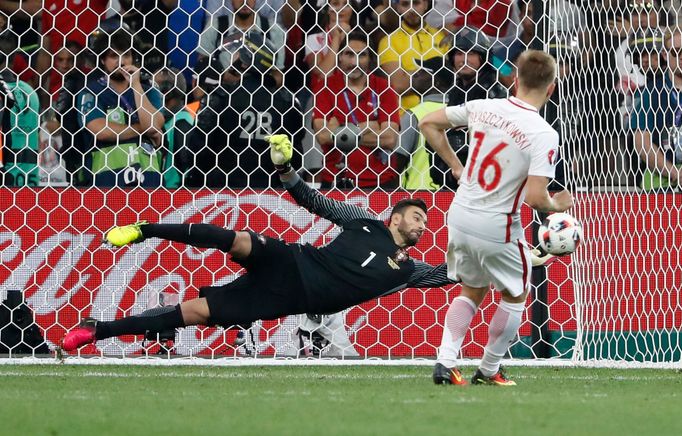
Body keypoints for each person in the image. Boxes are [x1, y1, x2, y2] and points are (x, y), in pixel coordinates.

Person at [60, 134, 459, 352]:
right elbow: (312, 200)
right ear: (395, 217)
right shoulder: (363, 222)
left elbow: (450, 274)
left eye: (425, 221)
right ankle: (146, 228)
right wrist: (285, 168)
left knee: (192, 312)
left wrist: (513, 259)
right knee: (235, 239)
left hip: (280, 302)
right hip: (290, 262)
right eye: (416, 216)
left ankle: (96, 332)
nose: (422, 225)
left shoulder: (408, 272)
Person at [419, 50, 574, 386]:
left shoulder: (483, 106)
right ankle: (489, 369)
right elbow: (535, 198)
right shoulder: (544, 132)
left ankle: (445, 362)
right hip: (498, 224)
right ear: (551, 89)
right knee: (515, 295)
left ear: (515, 80)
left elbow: (427, 123)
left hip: (459, 215)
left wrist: (456, 167)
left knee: (472, 289)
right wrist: (557, 204)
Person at [77, 27, 165, 187]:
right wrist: (142, 129)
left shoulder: (149, 88)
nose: (121, 61)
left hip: (149, 179)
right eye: (113, 55)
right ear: (103, 60)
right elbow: (101, 131)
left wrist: (136, 85)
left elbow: (153, 124)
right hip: (107, 181)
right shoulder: (91, 92)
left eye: (126, 55)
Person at [312, 30, 400, 189]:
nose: (355, 62)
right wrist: (367, 126)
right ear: (339, 56)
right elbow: (323, 136)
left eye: (362, 55)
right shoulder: (326, 87)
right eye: (349, 54)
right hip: (336, 181)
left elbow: (389, 139)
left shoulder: (384, 87)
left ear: (371, 58)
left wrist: (340, 130)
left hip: (381, 182)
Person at [629, 28, 682, 190]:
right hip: (661, 186)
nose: (681, 56)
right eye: (676, 52)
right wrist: (675, 173)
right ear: (665, 55)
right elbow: (642, 143)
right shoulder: (649, 93)